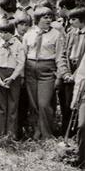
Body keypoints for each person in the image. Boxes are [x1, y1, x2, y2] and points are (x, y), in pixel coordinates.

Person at [22, 7, 70, 140]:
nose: (49, 20)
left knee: (44, 104)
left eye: (50, 17)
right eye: (45, 17)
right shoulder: (29, 34)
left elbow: (60, 56)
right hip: (30, 69)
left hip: (47, 71)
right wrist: (22, 74)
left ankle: (47, 135)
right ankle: (36, 132)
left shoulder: (56, 34)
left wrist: (60, 75)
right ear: (37, 19)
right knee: (34, 104)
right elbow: (23, 54)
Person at [0, 21, 25, 138]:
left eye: (5, 32)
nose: (2, 35)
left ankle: (11, 134)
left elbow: (21, 63)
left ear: (12, 33)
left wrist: (13, 77)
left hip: (13, 76)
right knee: (0, 104)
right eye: (1, 32)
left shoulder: (18, 45)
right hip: (0, 75)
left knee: (13, 104)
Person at [62, 7, 85, 135]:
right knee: (68, 102)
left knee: (79, 101)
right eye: (69, 19)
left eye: (74, 19)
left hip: (81, 71)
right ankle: (67, 132)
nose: (70, 22)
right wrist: (66, 73)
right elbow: (64, 52)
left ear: (82, 19)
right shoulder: (71, 33)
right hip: (69, 69)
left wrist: (76, 75)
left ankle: (79, 132)